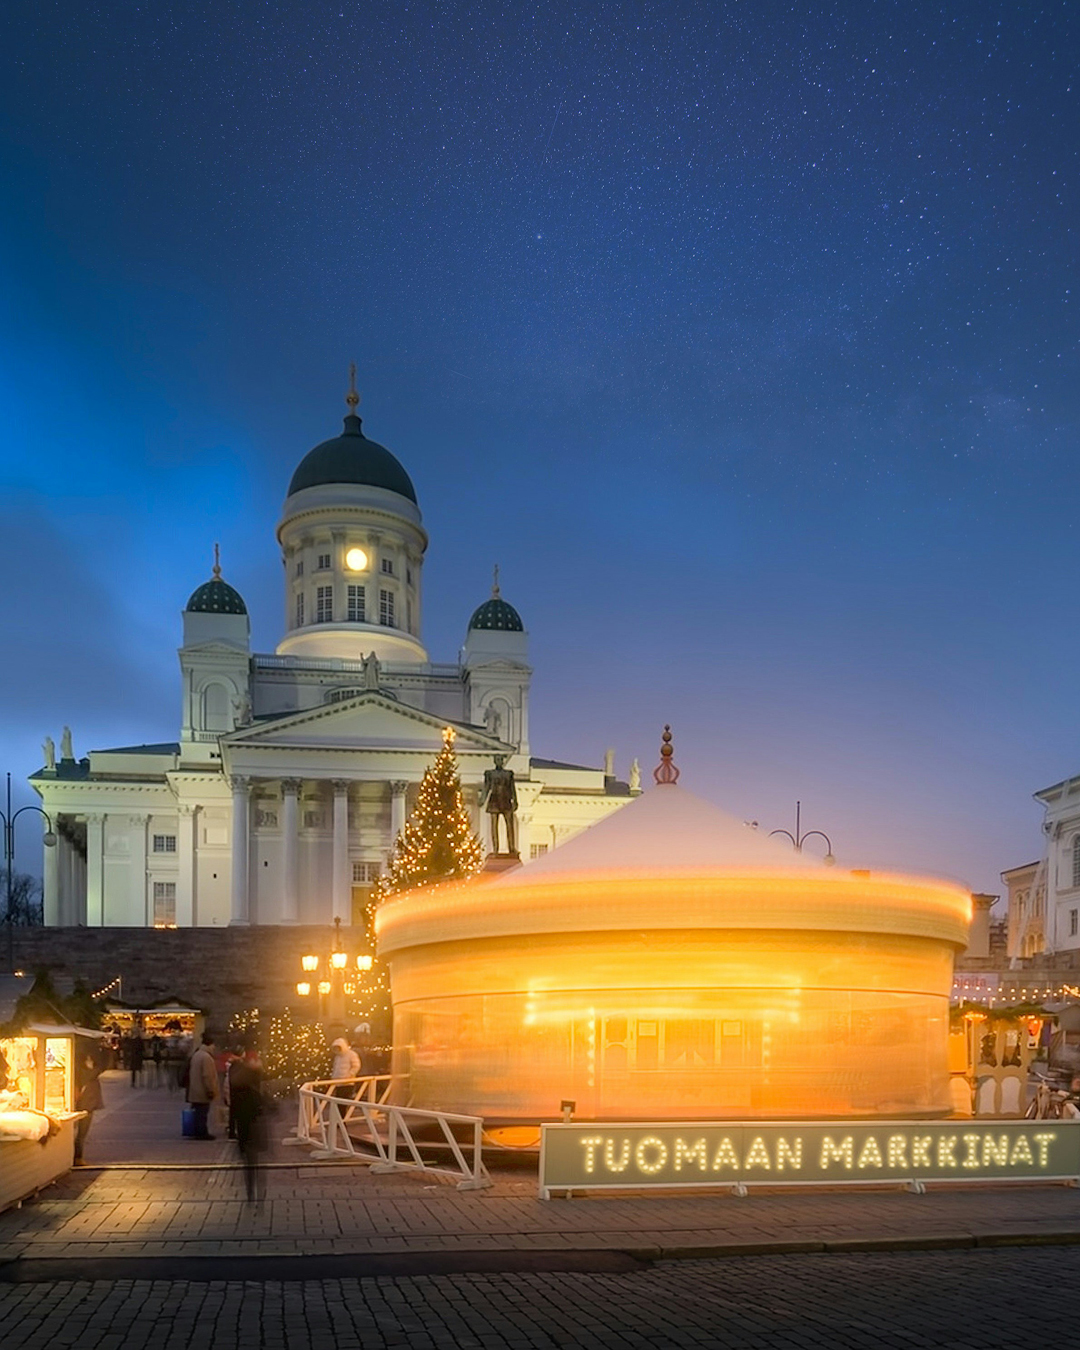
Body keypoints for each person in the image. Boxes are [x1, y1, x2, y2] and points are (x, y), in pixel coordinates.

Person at [229, 1049, 267, 1201]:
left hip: (243, 1126)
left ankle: (251, 1193)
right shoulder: (253, 1084)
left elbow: (234, 1106)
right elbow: (264, 1105)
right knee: (255, 1163)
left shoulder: (235, 1075)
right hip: (254, 1127)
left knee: (249, 1162)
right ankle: (256, 1194)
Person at [74, 1040, 108, 1164]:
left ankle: (77, 1156)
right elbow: (92, 1074)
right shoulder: (85, 1070)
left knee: (82, 1132)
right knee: (81, 1132)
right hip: (84, 1102)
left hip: (88, 1102)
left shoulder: (89, 1069)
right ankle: (77, 1157)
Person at [185, 1034, 220, 1139]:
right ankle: (202, 1133)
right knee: (202, 1113)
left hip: (195, 1089)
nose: (214, 1048)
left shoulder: (197, 1054)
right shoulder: (206, 1057)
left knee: (197, 1112)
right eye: (213, 1045)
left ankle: (197, 1131)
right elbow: (207, 1076)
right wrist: (211, 1090)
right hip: (202, 1091)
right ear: (210, 1045)